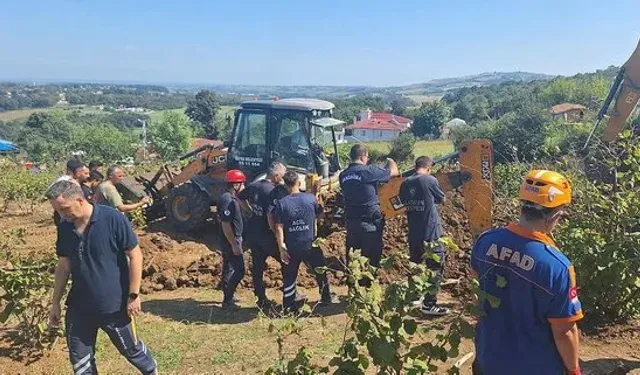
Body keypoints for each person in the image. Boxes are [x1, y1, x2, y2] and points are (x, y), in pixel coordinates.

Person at [470, 170, 583, 375]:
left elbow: (477, 297)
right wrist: (573, 369)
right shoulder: (556, 267)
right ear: (555, 215)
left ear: (522, 206)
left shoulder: (485, 242)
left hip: (490, 359)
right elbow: (564, 332)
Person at [45, 180, 158, 375]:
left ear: (80, 200)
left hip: (114, 306)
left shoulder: (112, 218)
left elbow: (135, 255)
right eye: (58, 211)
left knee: (131, 350)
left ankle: (151, 371)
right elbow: (64, 266)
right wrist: (55, 302)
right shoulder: (65, 227)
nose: (62, 216)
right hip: (79, 308)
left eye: (64, 209)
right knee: (81, 362)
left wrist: (133, 294)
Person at [274, 171, 335, 312]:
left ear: (285, 186)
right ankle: (326, 297)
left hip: (292, 245)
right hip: (310, 243)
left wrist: (281, 247)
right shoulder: (310, 199)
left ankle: (289, 306)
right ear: (299, 183)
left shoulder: (282, 204)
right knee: (320, 269)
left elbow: (279, 227)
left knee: (290, 275)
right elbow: (320, 215)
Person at [338, 144, 398, 284]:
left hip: (352, 223)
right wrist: (390, 160)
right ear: (363, 156)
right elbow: (394, 171)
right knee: (371, 258)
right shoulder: (369, 171)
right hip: (371, 223)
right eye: (367, 156)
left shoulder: (343, 175)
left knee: (354, 258)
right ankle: (369, 290)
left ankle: (356, 290)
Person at [399, 156, 448, 316]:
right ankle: (429, 304)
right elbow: (441, 199)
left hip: (414, 234)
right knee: (435, 268)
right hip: (431, 234)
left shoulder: (405, 183)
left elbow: (402, 202)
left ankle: (414, 298)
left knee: (416, 266)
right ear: (428, 168)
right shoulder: (430, 180)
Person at [237, 162, 287, 309]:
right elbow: (271, 214)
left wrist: (250, 210)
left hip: (254, 233)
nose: (283, 179)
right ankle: (291, 295)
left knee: (258, 268)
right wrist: (277, 233)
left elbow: (240, 197)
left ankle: (260, 298)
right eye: (283, 175)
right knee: (286, 262)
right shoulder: (273, 191)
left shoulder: (254, 185)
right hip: (268, 235)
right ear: (276, 175)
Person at [217, 169, 247, 310]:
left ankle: (229, 295)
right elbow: (226, 224)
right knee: (240, 270)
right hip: (231, 240)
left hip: (231, 240)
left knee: (228, 268)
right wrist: (234, 243)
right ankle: (227, 300)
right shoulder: (227, 200)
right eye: (242, 184)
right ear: (236, 185)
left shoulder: (230, 198)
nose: (244, 187)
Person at [51, 160, 90, 226]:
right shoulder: (69, 182)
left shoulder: (60, 180)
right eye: (81, 172)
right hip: (66, 215)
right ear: (77, 172)